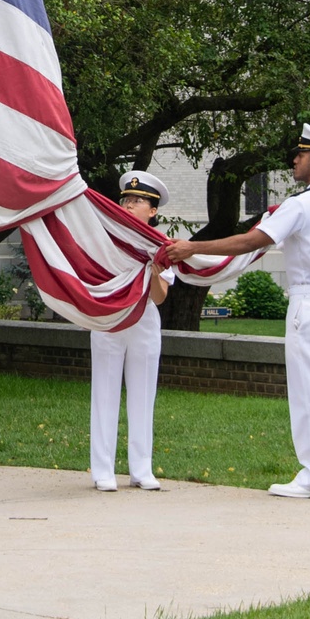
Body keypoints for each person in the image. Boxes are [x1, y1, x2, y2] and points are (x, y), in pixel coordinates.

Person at [163, 124, 310, 498]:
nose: (295, 160)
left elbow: (250, 240)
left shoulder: (301, 204)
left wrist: (193, 248)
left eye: (302, 155)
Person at [90, 170, 173, 492]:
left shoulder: (164, 245)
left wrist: (155, 272)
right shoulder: (107, 238)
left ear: (152, 211)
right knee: (105, 393)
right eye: (125, 199)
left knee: (143, 394)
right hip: (110, 319)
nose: (128, 204)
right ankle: (103, 471)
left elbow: (159, 296)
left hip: (145, 319)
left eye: (137, 201)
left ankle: (141, 469)